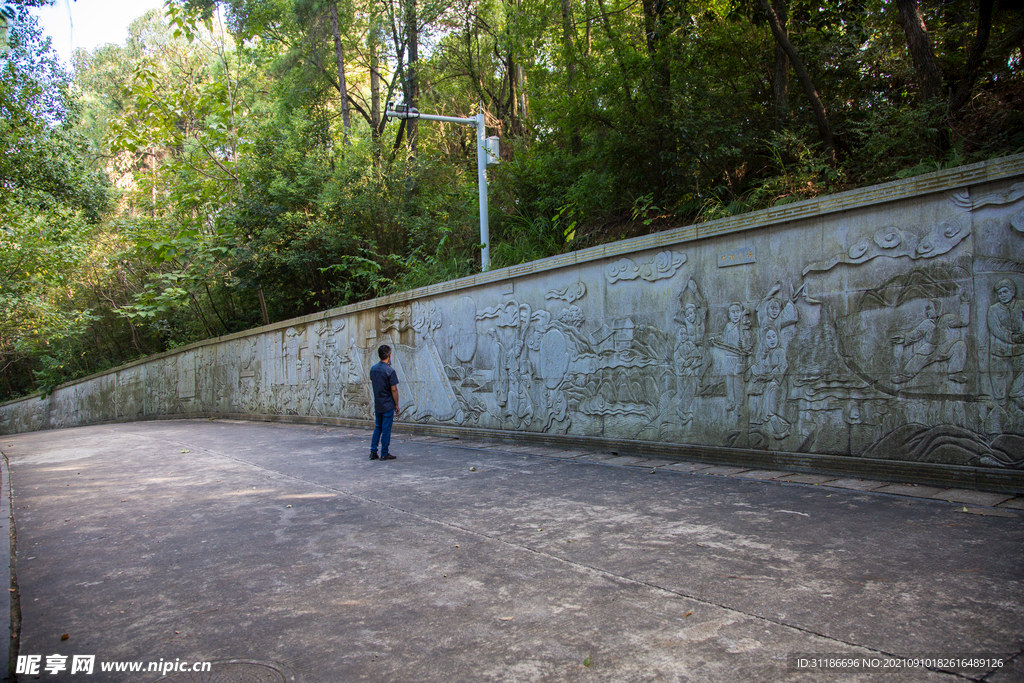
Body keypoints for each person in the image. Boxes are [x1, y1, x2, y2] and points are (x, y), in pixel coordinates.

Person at [369, 344, 400, 461]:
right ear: (389, 355)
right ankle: (384, 453)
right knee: (386, 429)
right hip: (388, 404)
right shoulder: (390, 371)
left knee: (378, 427)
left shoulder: (373, 369)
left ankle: (373, 451)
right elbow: (394, 389)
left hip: (378, 403)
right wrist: (396, 404)